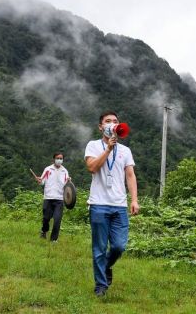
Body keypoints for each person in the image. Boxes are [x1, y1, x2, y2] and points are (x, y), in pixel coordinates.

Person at [84, 111, 140, 297]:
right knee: (99, 248)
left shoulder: (125, 151)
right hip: (98, 204)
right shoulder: (93, 146)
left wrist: (134, 199)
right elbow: (92, 167)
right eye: (108, 122)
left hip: (119, 205)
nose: (112, 124)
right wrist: (107, 149)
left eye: (115, 121)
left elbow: (130, 176)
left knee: (119, 246)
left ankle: (106, 266)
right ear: (101, 127)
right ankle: (101, 286)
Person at [35, 153, 70, 242]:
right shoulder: (48, 169)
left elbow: (67, 186)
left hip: (59, 199)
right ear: (53, 159)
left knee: (57, 220)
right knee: (46, 218)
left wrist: (69, 181)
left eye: (61, 158)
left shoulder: (64, 171)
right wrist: (39, 180)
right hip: (48, 197)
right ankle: (44, 231)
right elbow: (42, 182)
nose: (59, 160)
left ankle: (54, 239)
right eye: (57, 158)